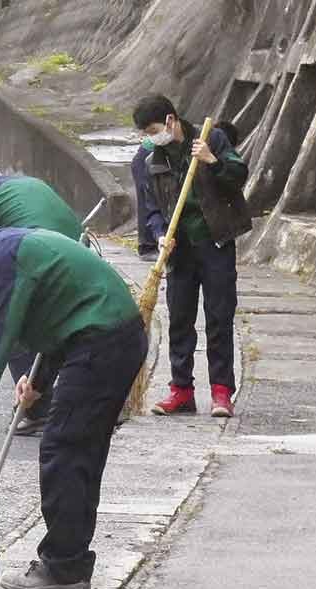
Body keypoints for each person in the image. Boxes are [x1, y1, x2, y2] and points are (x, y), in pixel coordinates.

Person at [0, 216, 146, 589]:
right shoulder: (5, 249)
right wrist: (37, 383)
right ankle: (70, 562)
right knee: (78, 453)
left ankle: (63, 567)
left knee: (64, 451)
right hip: (106, 337)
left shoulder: (4, 260)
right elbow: (54, 315)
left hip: (102, 341)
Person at [132, 94, 251, 418]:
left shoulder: (211, 137)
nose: (149, 138)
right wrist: (159, 235)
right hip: (180, 249)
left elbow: (239, 175)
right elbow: (152, 209)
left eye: (153, 129)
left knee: (219, 316)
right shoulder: (151, 160)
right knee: (180, 319)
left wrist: (213, 160)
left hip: (215, 242)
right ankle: (181, 391)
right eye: (145, 133)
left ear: (171, 121)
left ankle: (221, 392)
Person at [0, 160, 85, 435]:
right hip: (75, 257)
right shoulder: (29, 182)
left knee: (12, 326)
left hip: (37, 255)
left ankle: (37, 409)